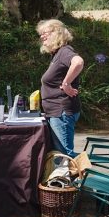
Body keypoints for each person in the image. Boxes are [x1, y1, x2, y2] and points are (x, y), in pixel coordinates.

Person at [36, 19, 84, 159]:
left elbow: (78, 62)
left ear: (56, 33)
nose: (41, 36)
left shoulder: (64, 51)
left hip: (61, 111)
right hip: (56, 111)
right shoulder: (57, 54)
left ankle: (69, 180)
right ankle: (65, 179)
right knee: (60, 153)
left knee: (64, 155)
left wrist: (66, 83)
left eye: (44, 33)